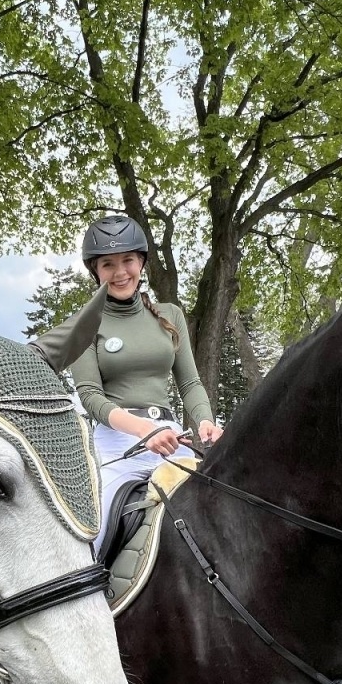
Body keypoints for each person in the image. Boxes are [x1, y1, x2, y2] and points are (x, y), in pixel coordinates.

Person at [68, 215, 224, 555]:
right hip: (116, 444)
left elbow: (191, 382)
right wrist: (144, 431)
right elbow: (91, 397)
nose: (120, 271)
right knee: (93, 535)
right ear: (95, 271)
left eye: (128, 260)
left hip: (171, 437)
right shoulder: (83, 324)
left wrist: (206, 422)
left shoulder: (170, 315)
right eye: (108, 264)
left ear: (141, 262)